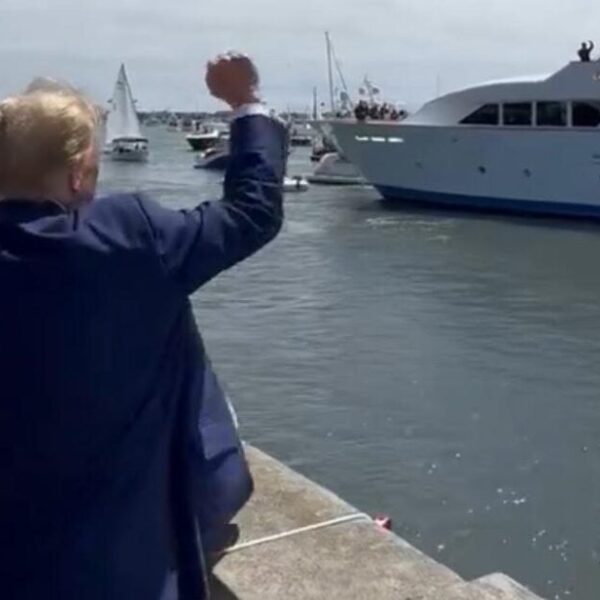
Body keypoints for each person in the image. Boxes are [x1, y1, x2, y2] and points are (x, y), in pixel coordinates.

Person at [0, 52, 286, 599]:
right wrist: (246, 101)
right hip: (121, 562)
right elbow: (252, 213)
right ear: (80, 171)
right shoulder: (128, 237)